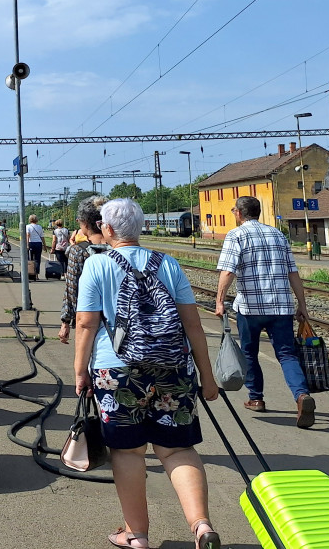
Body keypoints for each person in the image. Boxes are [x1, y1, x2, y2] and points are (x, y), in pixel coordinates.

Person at [75, 198, 221, 549]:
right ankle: (201, 526)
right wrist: (207, 375)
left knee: (128, 452)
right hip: (173, 368)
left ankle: (136, 534)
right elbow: (193, 325)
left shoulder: (97, 265)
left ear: (107, 229)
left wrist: (80, 372)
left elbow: (85, 323)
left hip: (117, 371)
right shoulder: (168, 264)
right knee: (176, 449)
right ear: (139, 228)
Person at [214, 195, 315, 429]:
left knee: (249, 353)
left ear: (239, 213)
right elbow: (293, 273)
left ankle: (256, 398)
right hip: (281, 307)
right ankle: (301, 396)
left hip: (250, 308)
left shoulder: (236, 235)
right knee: (287, 355)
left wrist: (219, 301)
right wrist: (302, 305)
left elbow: (228, 272)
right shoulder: (278, 235)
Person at [59, 196, 107, 344]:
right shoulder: (118, 247)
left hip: (88, 317)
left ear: (85, 223)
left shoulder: (78, 251)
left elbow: (72, 289)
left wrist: (66, 321)